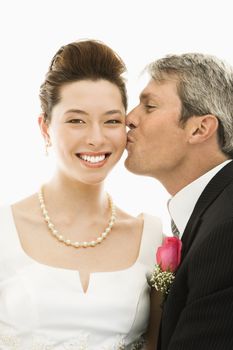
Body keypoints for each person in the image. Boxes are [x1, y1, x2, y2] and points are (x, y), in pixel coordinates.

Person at [0, 39, 163, 349]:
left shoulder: (151, 237)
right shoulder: (3, 229)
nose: (96, 138)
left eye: (112, 121)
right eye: (76, 120)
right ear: (45, 127)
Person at [125, 53, 233, 349]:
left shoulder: (226, 230)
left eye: (149, 106)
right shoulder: (213, 213)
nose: (129, 118)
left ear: (200, 129)